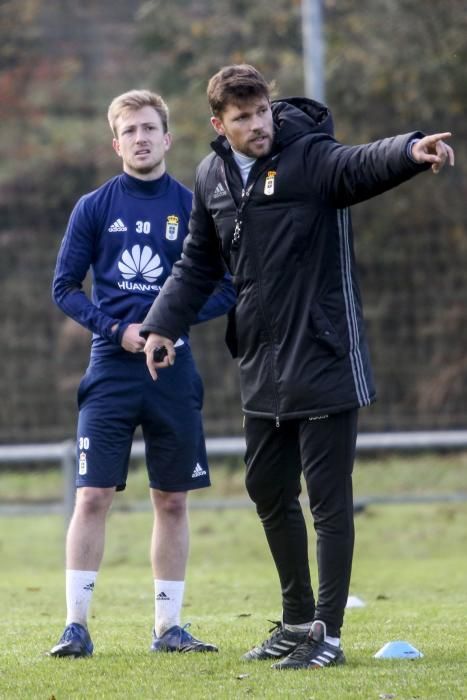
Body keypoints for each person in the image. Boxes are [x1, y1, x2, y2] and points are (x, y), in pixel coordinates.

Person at [139, 64, 455, 670]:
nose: (258, 126)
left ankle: (327, 635)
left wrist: (411, 150)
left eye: (263, 112)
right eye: (243, 119)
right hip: (262, 362)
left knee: (329, 500)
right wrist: (161, 324)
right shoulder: (212, 176)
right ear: (218, 124)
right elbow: (197, 264)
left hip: (325, 352)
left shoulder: (309, 157)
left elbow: (360, 164)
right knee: (266, 487)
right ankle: (295, 621)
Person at [49, 89, 235, 658]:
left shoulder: (194, 205)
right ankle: (76, 626)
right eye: (129, 130)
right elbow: (64, 289)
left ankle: (168, 629)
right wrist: (117, 330)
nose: (141, 138)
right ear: (116, 142)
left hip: (174, 368)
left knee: (172, 500)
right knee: (92, 495)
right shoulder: (94, 207)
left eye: (150, 128)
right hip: (110, 369)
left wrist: (165, 325)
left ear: (168, 137)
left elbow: (227, 286)